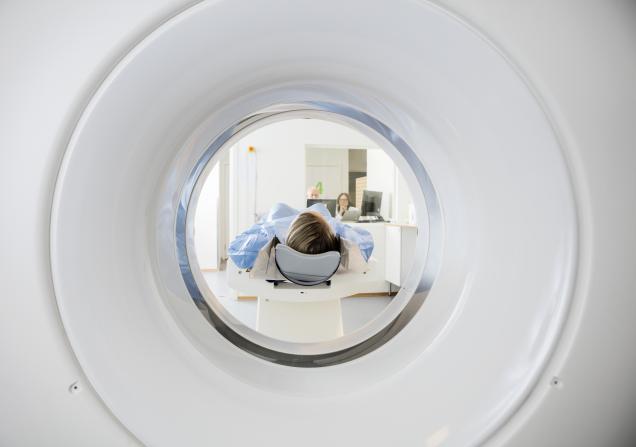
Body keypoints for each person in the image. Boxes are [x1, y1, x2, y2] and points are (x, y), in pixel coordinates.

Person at [228, 202, 373, 269]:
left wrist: (264, 228)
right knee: (319, 207)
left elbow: (235, 249)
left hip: (295, 224)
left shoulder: (272, 229)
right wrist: (339, 228)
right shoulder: (333, 226)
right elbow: (366, 241)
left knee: (280, 208)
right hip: (318, 221)